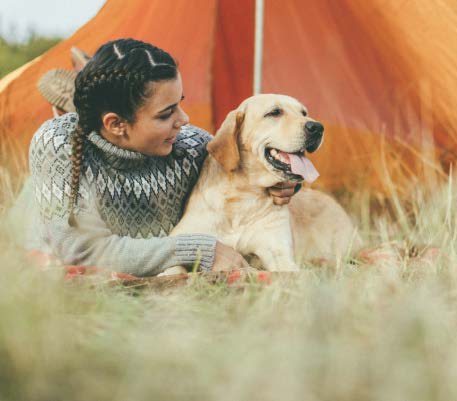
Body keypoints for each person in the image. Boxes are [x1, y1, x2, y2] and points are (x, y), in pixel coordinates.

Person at [28, 38, 299, 277]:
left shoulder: (192, 145)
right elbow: (81, 251)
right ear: (116, 124)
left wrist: (286, 183)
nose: (185, 119)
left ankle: (94, 95)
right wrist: (193, 250)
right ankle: (80, 104)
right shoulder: (57, 143)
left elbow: (247, 163)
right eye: (166, 113)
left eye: (180, 103)